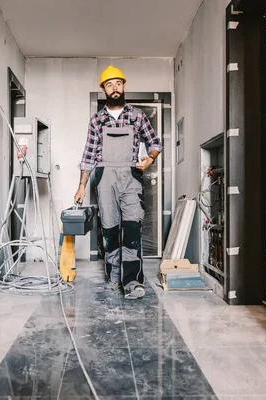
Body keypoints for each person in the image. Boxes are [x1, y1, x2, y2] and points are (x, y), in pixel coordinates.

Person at [74, 66, 162, 300]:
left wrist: (150, 159)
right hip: (104, 179)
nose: (115, 88)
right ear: (103, 89)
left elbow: (155, 142)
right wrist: (82, 185)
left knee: (132, 227)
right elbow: (88, 155)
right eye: (109, 84)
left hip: (131, 177)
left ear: (124, 86)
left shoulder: (137, 115)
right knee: (110, 229)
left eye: (118, 83)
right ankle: (114, 275)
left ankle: (132, 280)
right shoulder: (97, 120)